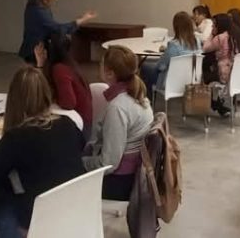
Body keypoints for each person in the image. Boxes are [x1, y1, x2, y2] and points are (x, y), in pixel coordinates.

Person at [0, 67, 86, 237]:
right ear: (47, 95)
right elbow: (80, 146)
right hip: (78, 213)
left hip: (38, 222)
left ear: (13, 101)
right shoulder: (68, 123)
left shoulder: (18, 137)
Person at [85, 46, 154, 201]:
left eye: (101, 63)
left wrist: (81, 163)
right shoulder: (139, 95)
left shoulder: (117, 107)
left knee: (63, 176)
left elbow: (109, 163)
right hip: (134, 175)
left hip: (120, 182)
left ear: (110, 73)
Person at [18, 0, 96, 64]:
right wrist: (80, 21)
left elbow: (52, 30)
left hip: (41, 49)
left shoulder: (42, 8)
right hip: (33, 52)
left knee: (62, 41)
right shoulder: (37, 10)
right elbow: (56, 28)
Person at [38, 31, 92, 136]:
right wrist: (40, 64)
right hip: (81, 124)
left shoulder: (59, 69)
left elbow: (69, 103)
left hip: (78, 128)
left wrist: (54, 100)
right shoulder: (70, 63)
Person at [141, 11, 201, 91]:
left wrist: (167, 52)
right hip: (190, 81)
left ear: (176, 27)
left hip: (171, 83)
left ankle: (148, 96)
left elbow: (161, 66)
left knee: (145, 66)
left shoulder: (174, 45)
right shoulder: (197, 41)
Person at [202, 13, 239, 117]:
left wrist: (211, 34)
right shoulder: (232, 37)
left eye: (214, 25)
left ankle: (214, 103)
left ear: (220, 25)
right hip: (233, 72)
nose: (212, 27)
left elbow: (205, 48)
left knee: (202, 75)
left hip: (222, 74)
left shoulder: (219, 38)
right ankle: (217, 104)